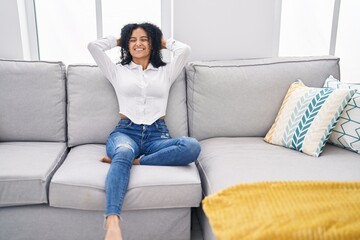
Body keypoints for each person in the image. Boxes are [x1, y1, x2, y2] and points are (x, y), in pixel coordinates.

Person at [88, 22, 201, 240]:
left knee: (192, 146)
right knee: (122, 151)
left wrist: (160, 39)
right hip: (125, 132)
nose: (138, 44)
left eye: (143, 39)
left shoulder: (165, 71)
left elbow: (184, 50)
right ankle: (112, 221)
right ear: (126, 45)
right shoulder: (116, 70)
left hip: (157, 135)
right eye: (133, 40)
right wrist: (121, 38)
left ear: (152, 43)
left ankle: (138, 161)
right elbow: (93, 47)